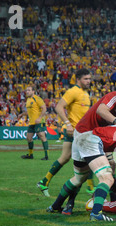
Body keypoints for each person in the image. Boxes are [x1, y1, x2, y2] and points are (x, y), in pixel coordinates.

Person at [36, 68, 92, 197]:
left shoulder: (85, 93)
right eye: (86, 79)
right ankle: (91, 188)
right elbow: (58, 107)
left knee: (64, 158)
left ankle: (44, 182)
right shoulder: (73, 91)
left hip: (80, 131)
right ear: (78, 79)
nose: (88, 81)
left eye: (89, 78)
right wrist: (67, 124)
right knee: (90, 157)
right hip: (76, 131)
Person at [20, 85, 49, 160]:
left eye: (29, 90)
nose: (27, 92)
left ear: (33, 91)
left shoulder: (37, 98)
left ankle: (46, 156)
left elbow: (44, 108)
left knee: (42, 136)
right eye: (27, 90)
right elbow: (30, 112)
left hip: (39, 122)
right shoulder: (28, 100)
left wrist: (39, 118)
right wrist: (22, 114)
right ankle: (30, 155)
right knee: (29, 138)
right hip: (32, 122)